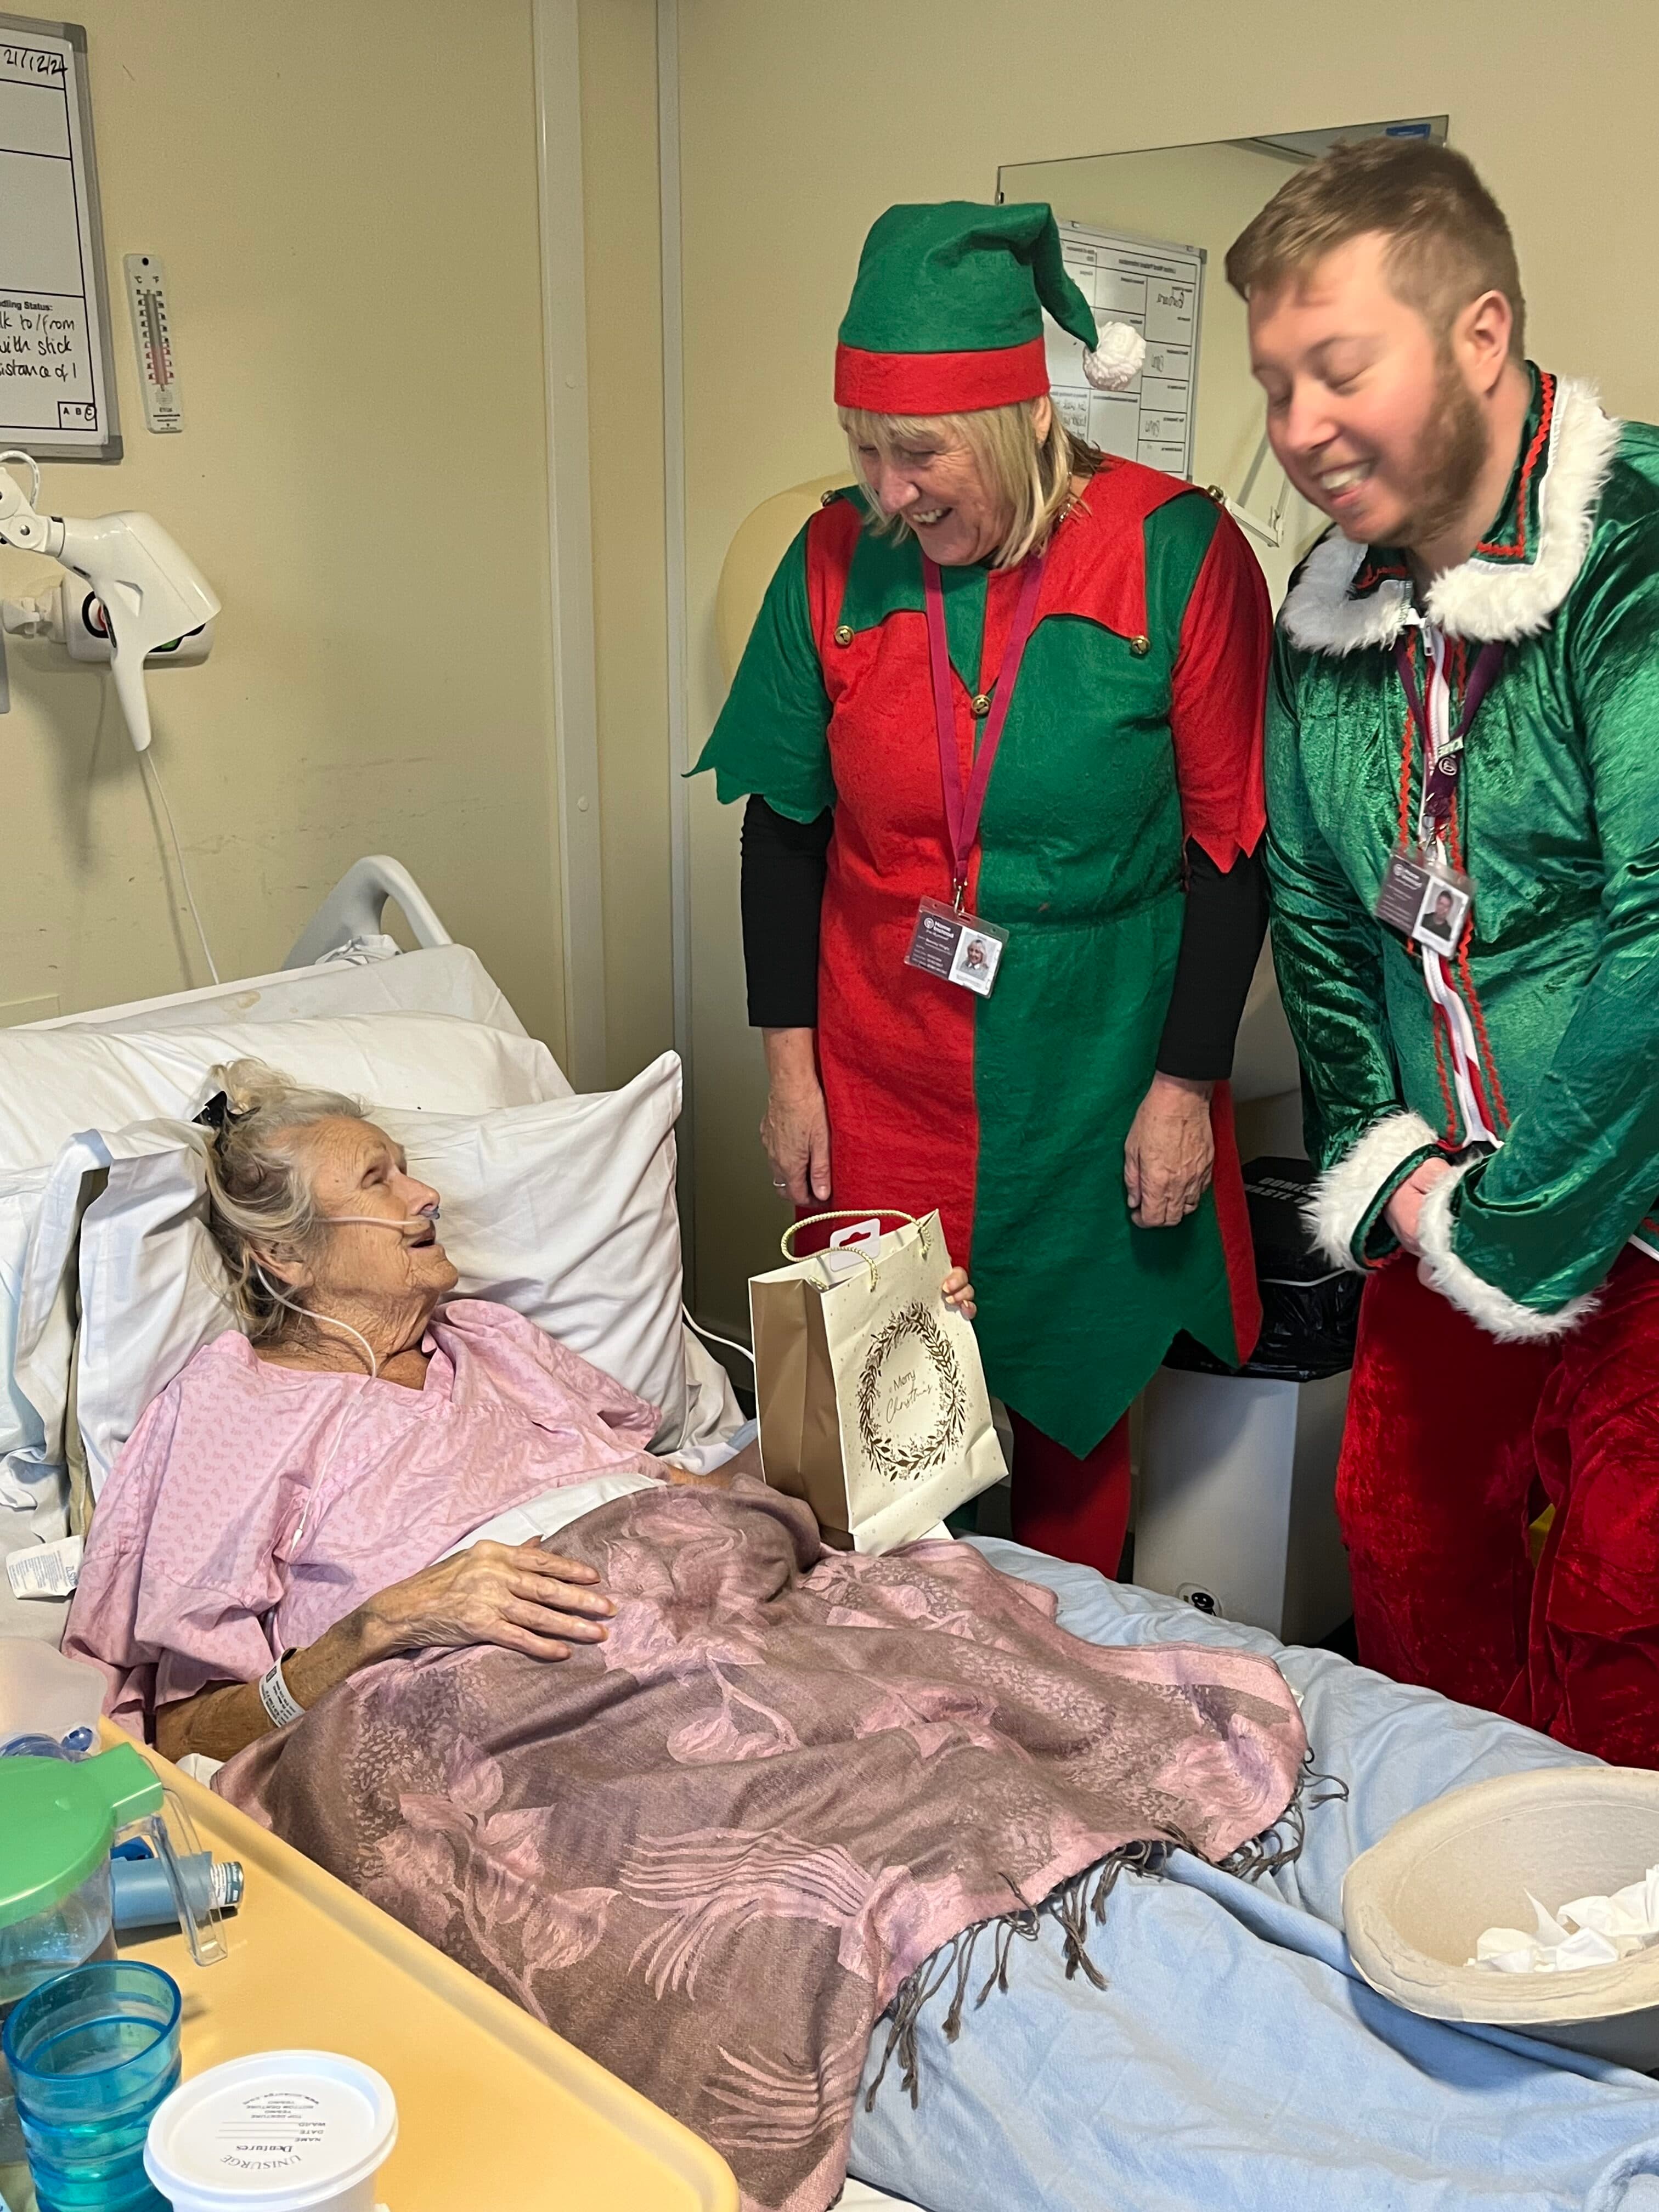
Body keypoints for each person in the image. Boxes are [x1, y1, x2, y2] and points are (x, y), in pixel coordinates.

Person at [696, 201, 1272, 1577]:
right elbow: (782, 830)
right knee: (891, 1439)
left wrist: (1186, 1087)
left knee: (1076, 1419)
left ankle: (1071, 1683)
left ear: (1018, 417)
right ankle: (916, 1713)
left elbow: (1230, 855)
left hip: (1099, 1068)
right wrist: (790, 1069)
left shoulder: (1178, 552)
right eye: (862, 449)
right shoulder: (831, 559)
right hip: (880, 1059)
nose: (885, 491)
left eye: (918, 452)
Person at [1232, 137, 1659, 1764]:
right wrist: (1396, 1169)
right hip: (1447, 1214)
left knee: (1626, 1640)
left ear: (1481, 335)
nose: (1298, 434)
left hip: (1630, 1220)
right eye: (1276, 387)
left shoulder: (1633, 554)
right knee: (1408, 1590)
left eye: (1337, 371)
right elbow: (1325, 917)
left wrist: (1525, 1225)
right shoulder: (1325, 615)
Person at [63, 1057, 978, 1760]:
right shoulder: (230, 1408)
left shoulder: (490, 1339)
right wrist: (385, 1623)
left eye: (410, 1170)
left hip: (716, 1612)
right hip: (518, 1700)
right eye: (378, 1180)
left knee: (955, 1706)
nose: (426, 1196)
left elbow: (691, 1498)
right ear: (286, 1258)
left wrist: (877, 1355)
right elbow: (182, 1735)